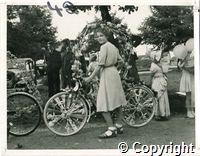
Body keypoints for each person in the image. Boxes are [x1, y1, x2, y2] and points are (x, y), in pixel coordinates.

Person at [83, 28, 127, 139]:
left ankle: (111, 129)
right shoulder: (113, 47)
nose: (99, 38)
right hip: (114, 73)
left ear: (106, 36)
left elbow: (100, 64)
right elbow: (121, 62)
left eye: (101, 35)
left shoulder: (104, 47)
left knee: (102, 103)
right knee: (117, 100)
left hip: (107, 73)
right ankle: (119, 125)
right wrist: (115, 70)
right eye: (97, 37)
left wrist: (90, 77)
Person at [149, 50, 170, 121]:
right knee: (159, 97)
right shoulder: (153, 65)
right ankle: (159, 114)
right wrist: (150, 83)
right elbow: (151, 75)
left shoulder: (159, 64)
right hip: (157, 81)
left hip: (161, 80)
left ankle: (163, 113)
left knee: (163, 97)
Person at [177, 50, 195, 118]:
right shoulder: (182, 62)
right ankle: (188, 111)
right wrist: (185, 67)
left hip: (191, 78)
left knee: (192, 96)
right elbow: (187, 69)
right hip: (186, 78)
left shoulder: (190, 61)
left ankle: (192, 110)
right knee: (188, 96)